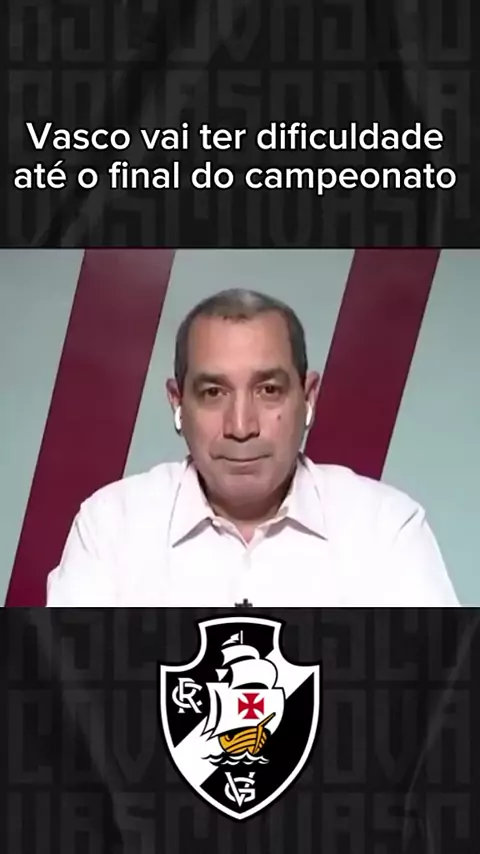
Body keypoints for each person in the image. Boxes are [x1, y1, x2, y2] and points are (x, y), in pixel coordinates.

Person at [46, 288, 459, 607]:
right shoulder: (111, 527)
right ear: (177, 403)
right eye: (213, 392)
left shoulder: (387, 529)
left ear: (308, 397)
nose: (241, 427)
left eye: (268, 390)